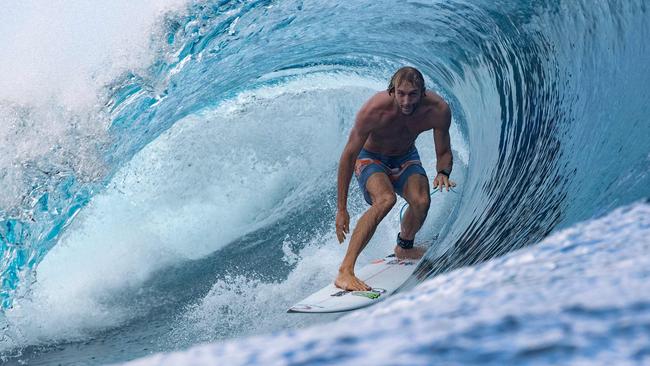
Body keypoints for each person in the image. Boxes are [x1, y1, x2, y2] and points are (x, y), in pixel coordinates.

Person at [334, 66, 456, 291]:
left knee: (421, 201)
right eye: (401, 93)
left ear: (423, 92)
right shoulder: (373, 110)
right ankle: (345, 271)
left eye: (412, 94)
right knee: (385, 199)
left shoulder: (438, 110)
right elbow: (348, 156)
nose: (407, 101)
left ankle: (404, 246)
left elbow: (444, 152)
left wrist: (443, 172)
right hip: (370, 158)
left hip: (405, 157)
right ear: (392, 91)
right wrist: (341, 209)